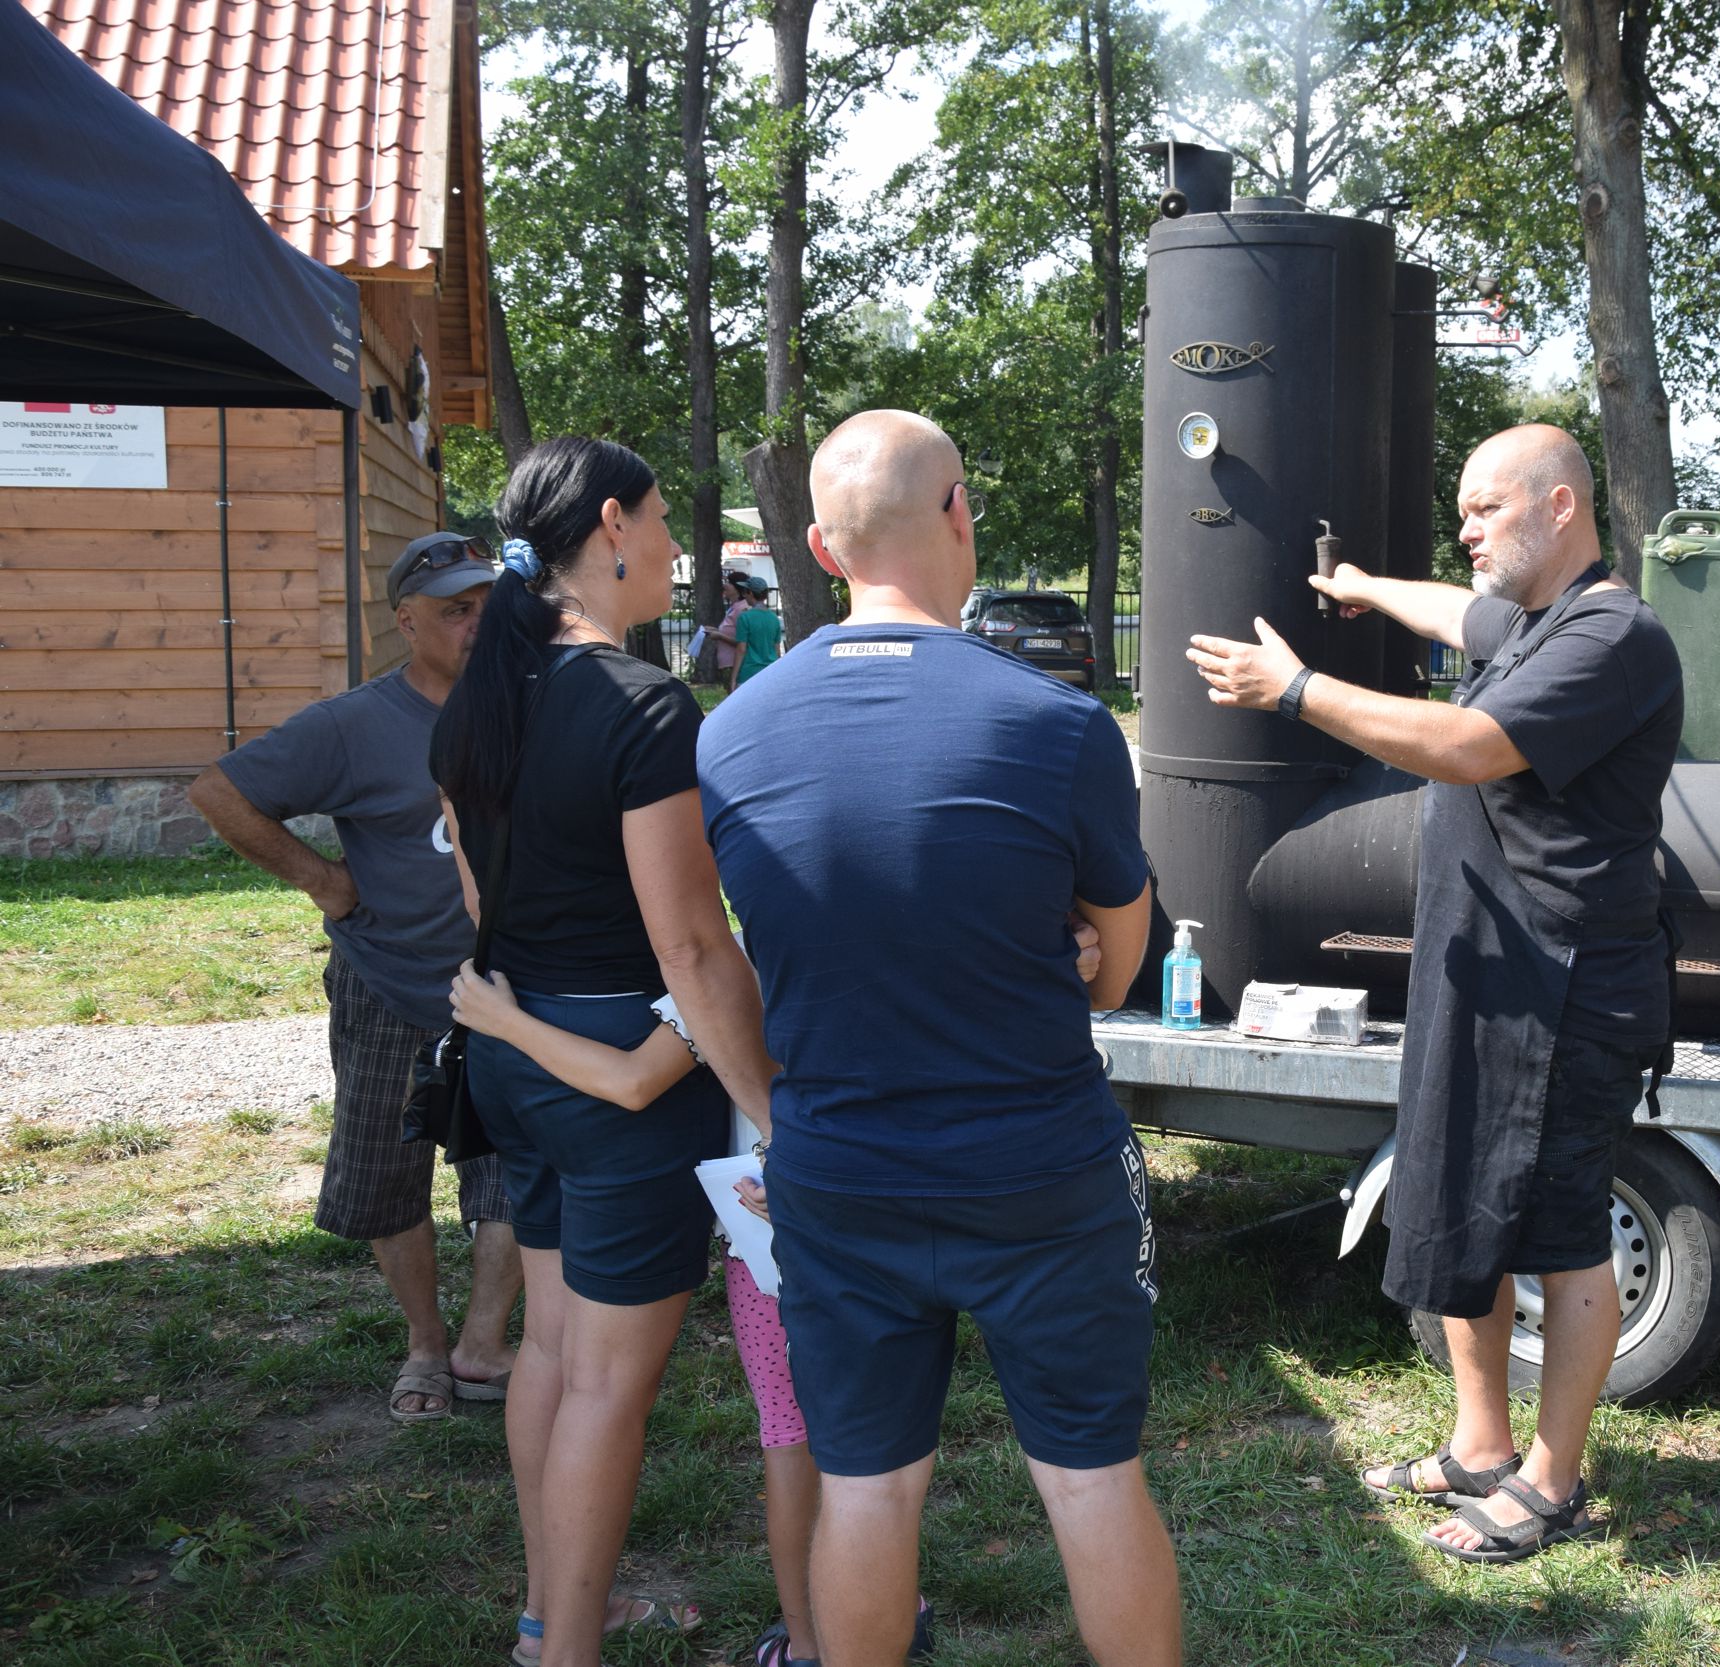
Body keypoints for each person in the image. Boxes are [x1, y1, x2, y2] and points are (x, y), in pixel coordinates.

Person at [697, 410, 1177, 1667]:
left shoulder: (731, 733)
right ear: (960, 512)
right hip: (1039, 1166)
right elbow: (1119, 971)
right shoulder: (1060, 725)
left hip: (840, 1168)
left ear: (816, 545)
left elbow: (733, 953)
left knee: (866, 1486)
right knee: (1089, 1480)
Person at [1186, 424, 1683, 1564]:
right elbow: (1456, 614)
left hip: (1566, 984)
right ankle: (1480, 1446)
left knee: (1559, 1231)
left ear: (1560, 506)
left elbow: (1463, 743)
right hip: (1484, 970)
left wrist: (1297, 688)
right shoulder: (1533, 619)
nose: (1462, 529)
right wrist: (1361, 586)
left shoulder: (1614, 633)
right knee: (1455, 1196)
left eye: (1482, 508)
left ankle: (1552, 1484)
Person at [431, 438, 778, 1667]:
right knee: (605, 1388)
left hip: (517, 1054)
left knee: (556, 1349)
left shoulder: (482, 695)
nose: (681, 551)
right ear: (614, 524)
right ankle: (564, 1648)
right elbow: (691, 942)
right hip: (617, 1064)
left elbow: (481, 896)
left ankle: (543, 1613)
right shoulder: (640, 705)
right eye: (668, 525)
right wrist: (767, 1110)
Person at [445, 955, 992, 1667]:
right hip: (880, 1236)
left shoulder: (729, 963)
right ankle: (881, 1610)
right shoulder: (908, 953)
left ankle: (805, 1644)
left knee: (793, 1442)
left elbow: (633, 1080)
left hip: (770, 1248)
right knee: (880, 1448)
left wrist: (506, 1023)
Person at [187, 532, 521, 1425]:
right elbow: (220, 790)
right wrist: (324, 880)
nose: (478, 624)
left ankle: (483, 1345)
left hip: (511, 988)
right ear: (406, 622)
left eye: (489, 604)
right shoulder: (354, 724)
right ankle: (424, 1344)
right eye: (456, 610)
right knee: (386, 1170)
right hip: (389, 983)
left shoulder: (534, 705)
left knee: (513, 1168)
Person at [731, 573, 784, 686]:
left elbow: (741, 649)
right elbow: (777, 650)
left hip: (749, 673)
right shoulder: (774, 618)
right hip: (769, 672)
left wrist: (733, 678)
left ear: (750, 593)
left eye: (746, 592)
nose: (744, 595)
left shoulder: (745, 617)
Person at [716, 577, 751, 689]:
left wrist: (719, 636)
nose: (725, 585)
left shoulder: (742, 609)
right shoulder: (734, 607)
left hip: (733, 662)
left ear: (738, 588)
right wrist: (714, 631)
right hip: (726, 662)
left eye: (729, 583)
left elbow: (742, 641)